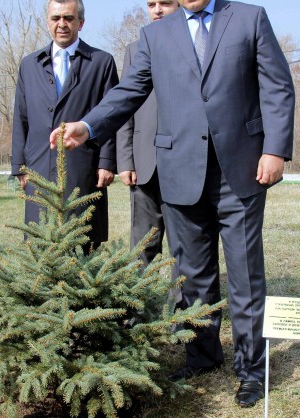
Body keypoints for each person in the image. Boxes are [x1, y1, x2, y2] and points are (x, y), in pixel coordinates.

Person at [50, 0, 295, 408]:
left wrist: (275, 149)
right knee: (193, 274)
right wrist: (88, 124)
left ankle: (251, 368)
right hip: (180, 170)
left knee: (246, 275)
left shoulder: (250, 18)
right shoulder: (155, 35)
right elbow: (128, 92)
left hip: (242, 168)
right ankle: (201, 354)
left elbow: (277, 86)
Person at [12, 0, 118, 253]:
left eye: (69, 18)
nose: (62, 24)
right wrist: (19, 166)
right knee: (41, 240)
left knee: (84, 238)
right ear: (48, 22)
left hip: (84, 165)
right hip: (39, 165)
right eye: (56, 18)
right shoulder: (30, 64)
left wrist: (106, 161)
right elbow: (21, 117)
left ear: (81, 22)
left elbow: (112, 115)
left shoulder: (101, 62)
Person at [117, 0, 180, 267]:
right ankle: (139, 306)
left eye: (165, 3)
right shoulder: (134, 50)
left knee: (185, 247)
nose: (157, 10)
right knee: (142, 246)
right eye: (151, 4)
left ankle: (184, 307)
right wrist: (126, 160)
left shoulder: (197, 46)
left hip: (183, 165)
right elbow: (124, 107)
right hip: (144, 165)